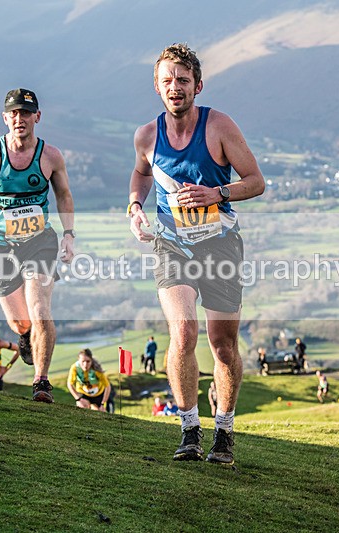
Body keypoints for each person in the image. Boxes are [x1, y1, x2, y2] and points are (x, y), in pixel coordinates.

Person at [127, 43, 265, 466]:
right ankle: (189, 428)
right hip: (172, 244)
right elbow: (141, 172)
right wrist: (135, 206)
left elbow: (256, 181)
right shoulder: (147, 135)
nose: (175, 88)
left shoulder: (219, 127)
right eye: (167, 81)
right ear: (157, 87)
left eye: (183, 80)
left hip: (221, 245)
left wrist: (216, 192)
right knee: (183, 333)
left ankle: (224, 431)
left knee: (223, 345)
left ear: (197, 85)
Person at [0, 88, 76, 403]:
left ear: (37, 117)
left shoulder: (50, 156)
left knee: (40, 310)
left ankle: (41, 382)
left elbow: (64, 195)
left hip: (39, 242)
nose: (19, 119)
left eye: (25, 113)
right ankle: (26, 336)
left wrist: (69, 234)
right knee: (20, 321)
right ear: (4, 118)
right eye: (13, 113)